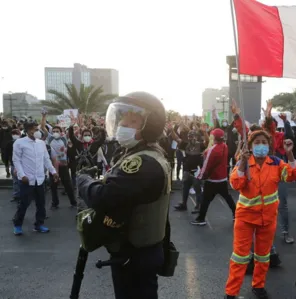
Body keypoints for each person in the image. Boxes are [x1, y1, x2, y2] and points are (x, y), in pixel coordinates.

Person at [76, 92, 172, 299]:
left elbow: (103, 197)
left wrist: (82, 180)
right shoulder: (149, 155)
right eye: (123, 119)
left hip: (134, 255)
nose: (123, 124)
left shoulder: (143, 163)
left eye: (133, 121)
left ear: (150, 126)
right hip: (142, 251)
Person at [224, 130, 296, 299]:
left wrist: (290, 154)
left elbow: (293, 175)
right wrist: (243, 163)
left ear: (269, 145)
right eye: (257, 142)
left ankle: (258, 286)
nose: (261, 145)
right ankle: (231, 292)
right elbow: (236, 184)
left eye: (264, 142)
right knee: (240, 257)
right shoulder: (243, 162)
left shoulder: (276, 163)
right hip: (245, 218)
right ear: (250, 146)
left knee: (263, 256)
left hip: (268, 219)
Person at [12, 122, 59, 235]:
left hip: (40, 179)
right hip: (26, 179)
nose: (37, 131)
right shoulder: (19, 143)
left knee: (41, 204)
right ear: (28, 130)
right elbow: (16, 160)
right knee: (24, 204)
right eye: (34, 129)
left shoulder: (41, 143)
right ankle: (18, 225)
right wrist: (22, 175)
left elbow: (46, 159)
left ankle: (39, 224)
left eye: (37, 129)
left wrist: (53, 171)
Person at [191, 128, 236, 226]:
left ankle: (201, 218)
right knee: (227, 197)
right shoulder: (224, 146)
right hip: (222, 178)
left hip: (212, 179)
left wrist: (199, 177)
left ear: (213, 137)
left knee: (205, 200)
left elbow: (206, 166)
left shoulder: (212, 150)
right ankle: (236, 214)